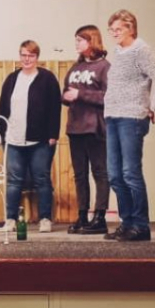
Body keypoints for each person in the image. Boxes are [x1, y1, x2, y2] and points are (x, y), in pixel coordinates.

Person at [103, 9, 155, 241]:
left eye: (119, 29)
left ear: (131, 28)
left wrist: (153, 106)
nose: (115, 33)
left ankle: (141, 226)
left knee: (130, 173)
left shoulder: (140, 50)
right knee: (115, 175)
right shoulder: (118, 52)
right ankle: (127, 223)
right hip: (112, 117)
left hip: (132, 118)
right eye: (112, 30)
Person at [0, 40, 61, 233]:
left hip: (40, 139)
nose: (27, 59)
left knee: (42, 178)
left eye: (31, 55)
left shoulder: (47, 78)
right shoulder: (11, 79)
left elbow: (55, 108)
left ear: (37, 57)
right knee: (14, 181)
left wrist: (53, 133)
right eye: (23, 55)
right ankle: (10, 219)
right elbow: (3, 107)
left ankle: (45, 219)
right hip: (13, 138)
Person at [62, 25, 111, 234]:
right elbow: (66, 91)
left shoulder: (104, 67)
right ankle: (82, 215)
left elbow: (109, 97)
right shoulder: (76, 67)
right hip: (75, 127)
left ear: (91, 41)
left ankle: (100, 216)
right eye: (76, 40)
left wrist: (80, 95)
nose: (76, 44)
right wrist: (66, 96)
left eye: (80, 40)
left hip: (95, 128)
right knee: (80, 175)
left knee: (100, 172)